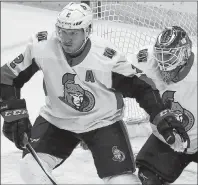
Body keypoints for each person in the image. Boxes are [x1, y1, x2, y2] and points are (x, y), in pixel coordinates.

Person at [0, 3, 184, 184]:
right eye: (62, 31)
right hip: (56, 120)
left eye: (73, 32)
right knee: (30, 169)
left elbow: (142, 86)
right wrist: (13, 114)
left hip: (101, 123)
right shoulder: (41, 46)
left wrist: (161, 114)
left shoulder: (105, 59)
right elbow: (6, 77)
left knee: (121, 182)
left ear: (87, 30)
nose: (66, 39)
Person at [128, 26, 197, 184]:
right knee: (149, 179)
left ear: (184, 54)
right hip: (167, 138)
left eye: (169, 57)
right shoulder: (146, 61)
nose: (163, 64)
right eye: (161, 55)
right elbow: (115, 80)